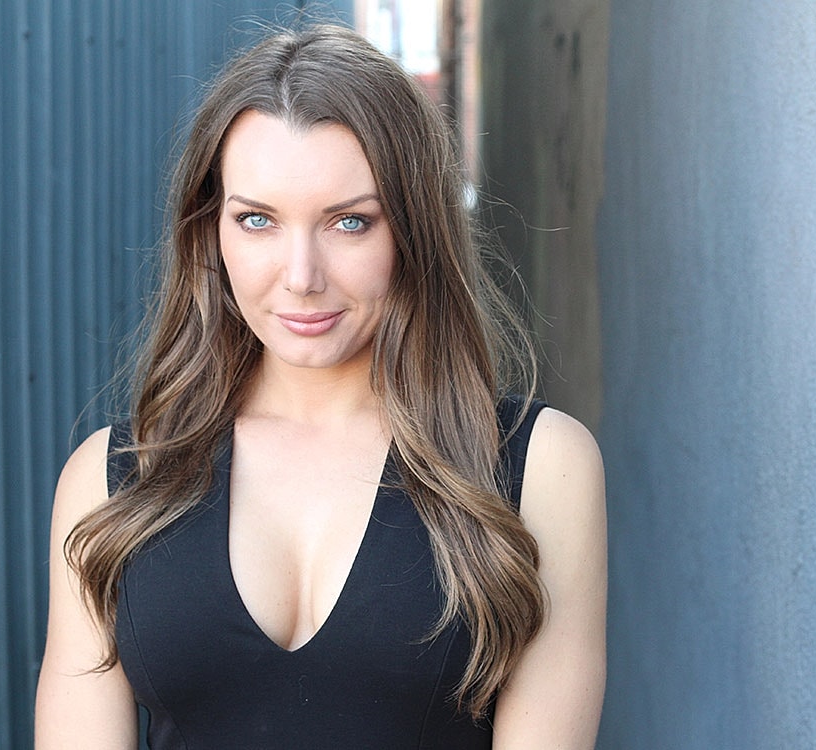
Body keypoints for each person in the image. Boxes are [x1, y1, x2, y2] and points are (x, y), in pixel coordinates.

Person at [34, 22, 606, 749]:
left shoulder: (540, 467)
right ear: (210, 231)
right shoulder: (112, 481)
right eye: (257, 220)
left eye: (348, 222)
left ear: (414, 229)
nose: (300, 277)